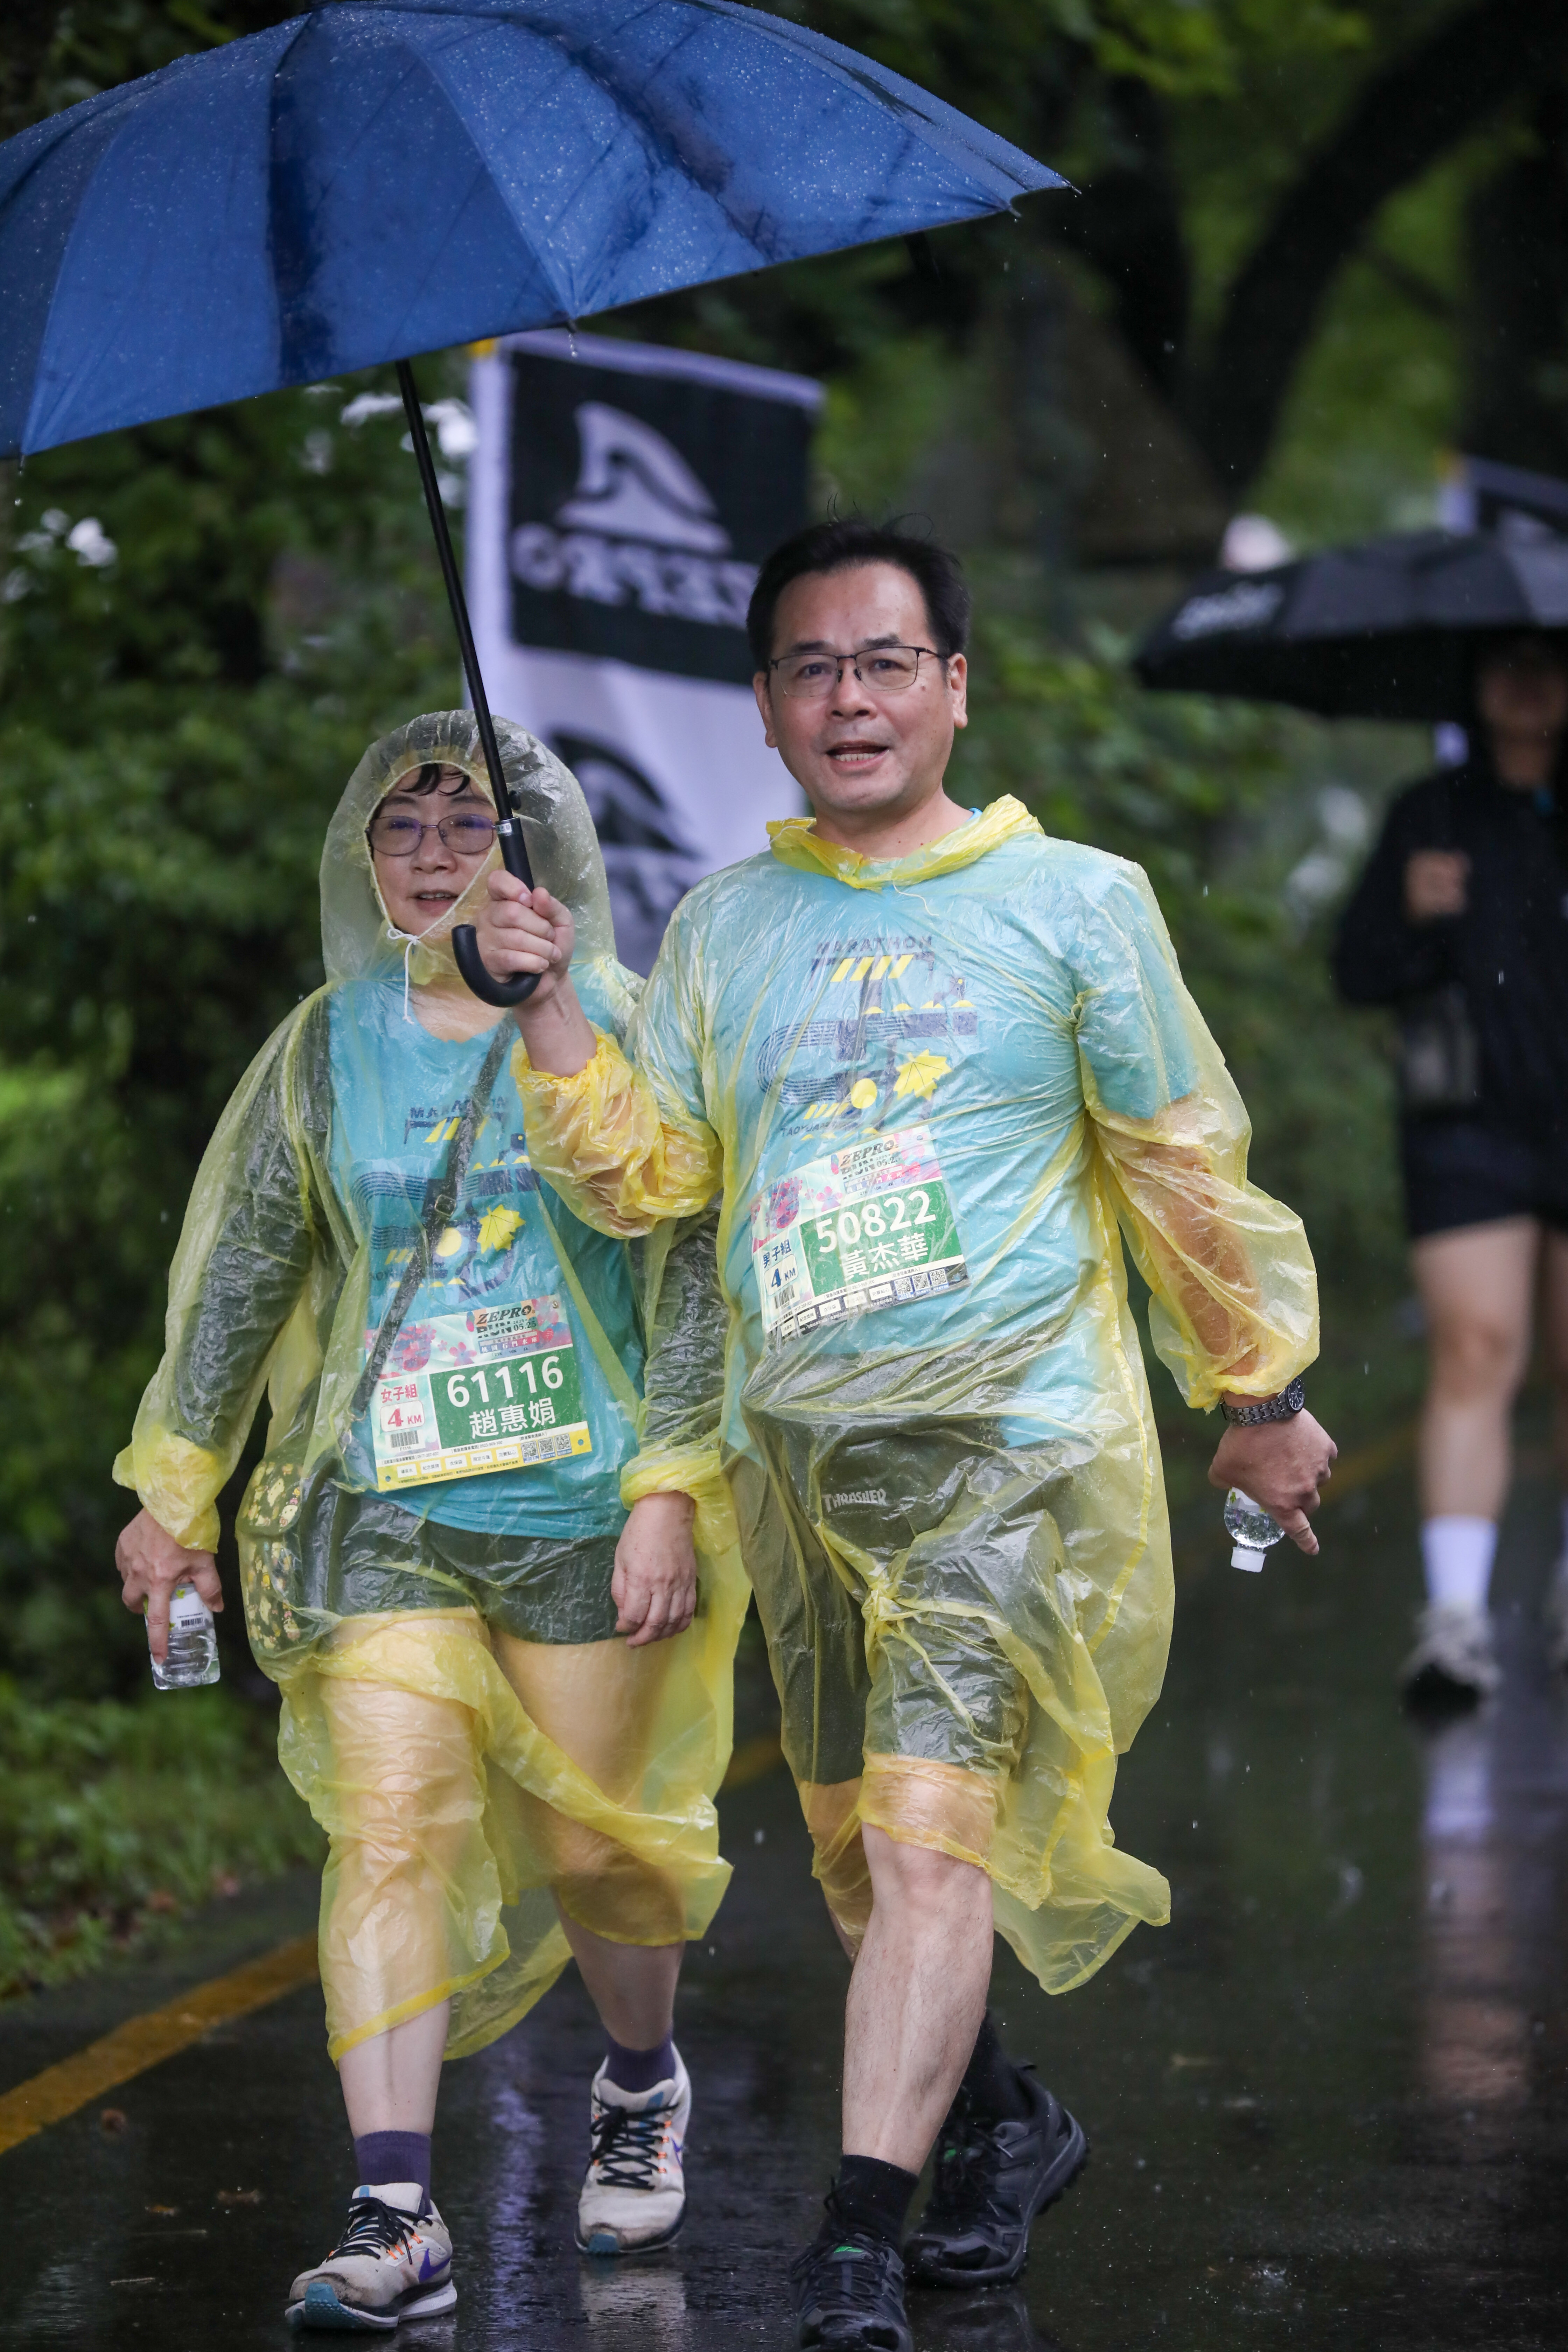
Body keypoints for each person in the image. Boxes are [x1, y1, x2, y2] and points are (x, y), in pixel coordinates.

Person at [467, 520, 1336, 2351]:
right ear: (765, 707)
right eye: (811, 668)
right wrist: (544, 1002)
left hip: (1005, 1449)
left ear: (954, 685)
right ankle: (1004, 2121)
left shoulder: (1074, 903)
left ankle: (859, 2235)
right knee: (865, 1856)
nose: (848, 699)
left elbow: (1177, 1162)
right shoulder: (728, 928)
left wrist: (1252, 1390)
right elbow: (658, 1185)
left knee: (934, 1842)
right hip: (803, 1461)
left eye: (883, 662)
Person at [112, 713, 742, 2333]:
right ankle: (395, 2214)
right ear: (364, 859)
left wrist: (671, 1487)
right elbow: (243, 1278)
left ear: (543, 856)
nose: (435, 855)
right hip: (380, 1514)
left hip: (583, 1514)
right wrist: (175, 1494)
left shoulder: (620, 1024)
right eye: (403, 828)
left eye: (473, 825)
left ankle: (639, 2080)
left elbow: (690, 1270)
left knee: (596, 1848)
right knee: (389, 1829)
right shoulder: (325, 1048)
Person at [1335, 631, 1568, 1706]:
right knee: (1476, 1349)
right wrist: (1412, 915)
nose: (1526, 683)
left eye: (1548, 661)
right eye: (1505, 662)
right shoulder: (1429, 814)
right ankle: (1458, 1620)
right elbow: (1357, 969)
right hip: (1468, 1129)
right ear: (1474, 682)